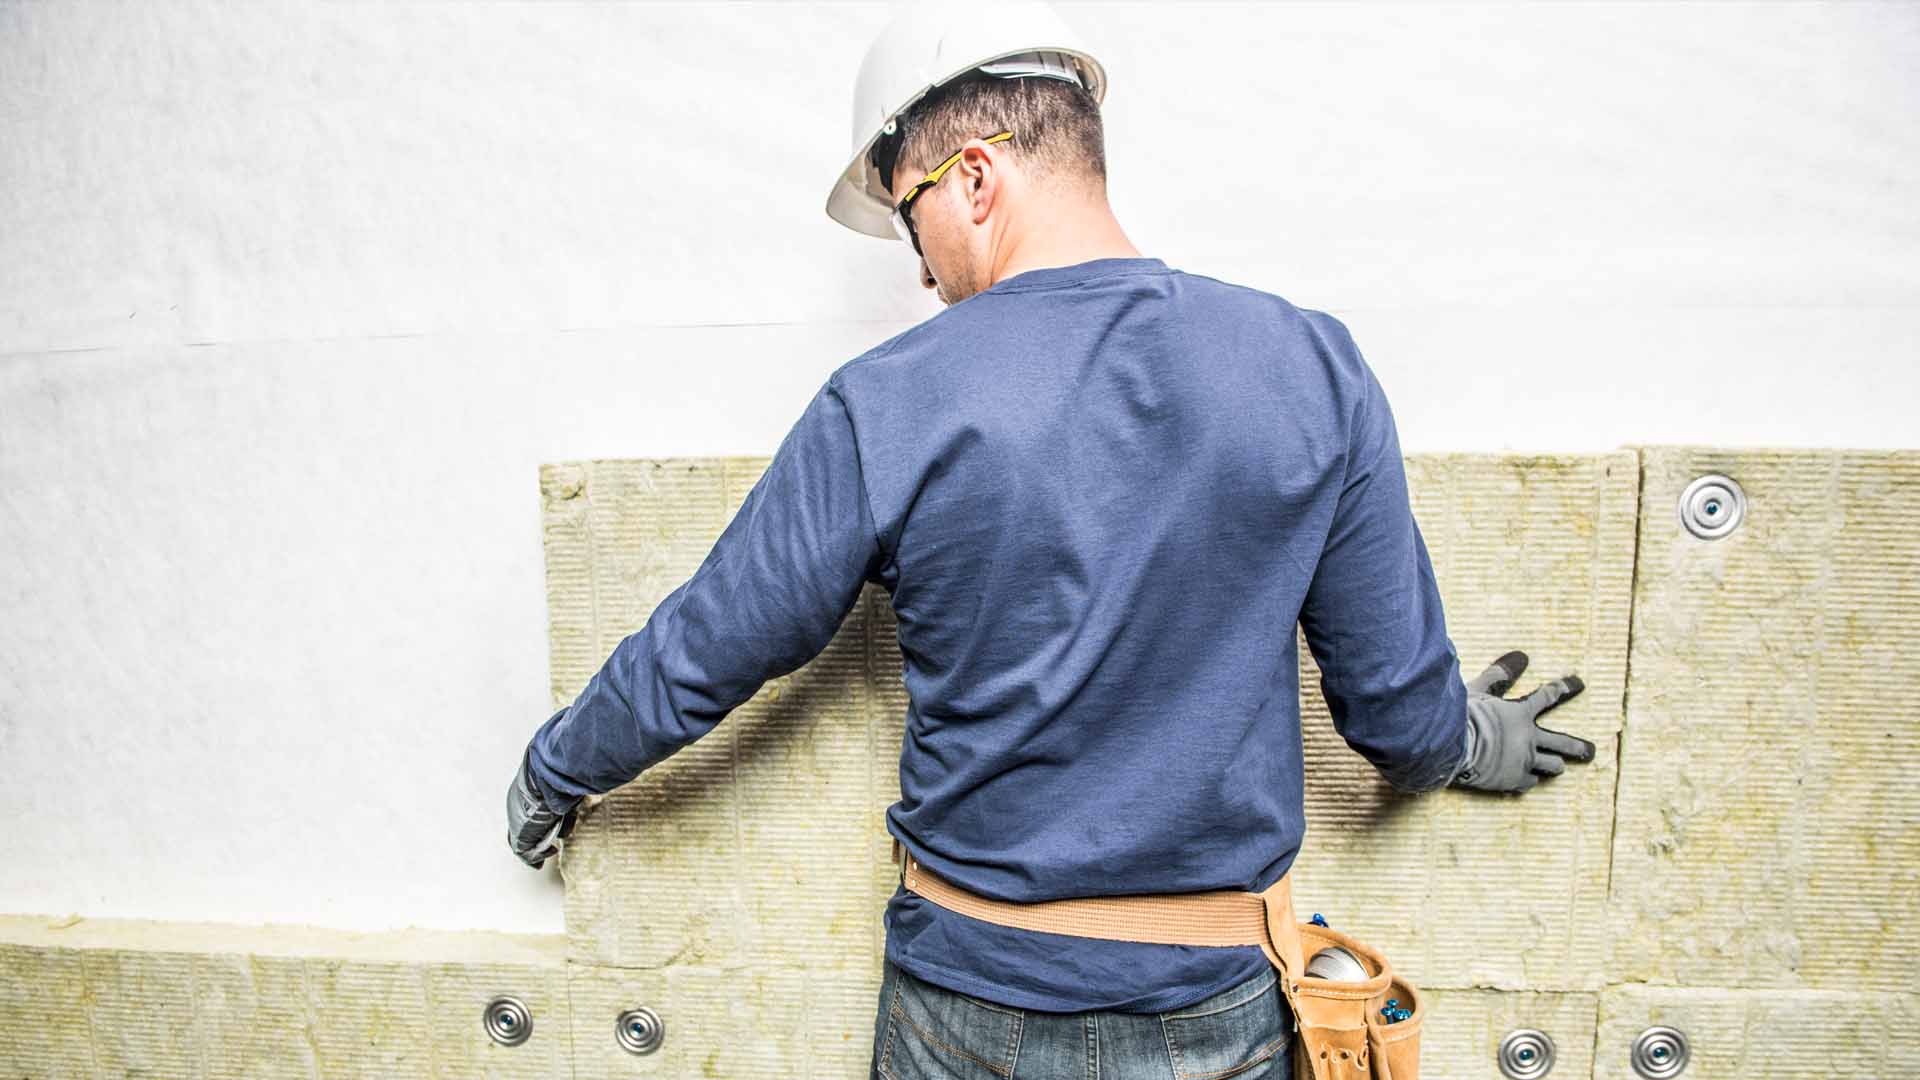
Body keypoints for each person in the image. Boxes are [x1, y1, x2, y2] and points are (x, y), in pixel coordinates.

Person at [505, 3, 1597, 1077]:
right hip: (1211, 1010)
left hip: (965, 1006)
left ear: (976, 177)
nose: (920, 270)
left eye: (911, 218)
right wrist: (1469, 741)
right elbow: (1396, 717)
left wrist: (556, 771)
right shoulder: (1313, 368)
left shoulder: (889, 402)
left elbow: (710, 645)